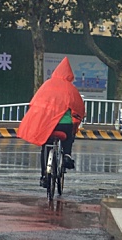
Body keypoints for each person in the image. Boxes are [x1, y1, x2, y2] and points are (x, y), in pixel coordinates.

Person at [17, 57, 85, 188]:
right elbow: (79, 107)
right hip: (65, 125)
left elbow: (35, 102)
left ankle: (44, 176)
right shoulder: (70, 89)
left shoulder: (47, 85)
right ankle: (66, 155)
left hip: (48, 124)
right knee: (69, 137)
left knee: (45, 147)